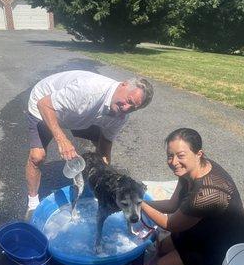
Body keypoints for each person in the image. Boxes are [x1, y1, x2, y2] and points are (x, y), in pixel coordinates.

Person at [25, 70, 153, 217]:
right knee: (37, 156)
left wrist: (105, 177)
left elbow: (105, 144)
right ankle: (32, 203)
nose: (126, 109)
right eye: (129, 101)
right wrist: (62, 139)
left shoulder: (121, 115)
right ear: (123, 85)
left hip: (79, 113)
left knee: (100, 148)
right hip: (45, 104)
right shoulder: (89, 91)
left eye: (133, 108)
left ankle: (89, 186)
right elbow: (44, 104)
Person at [141, 128, 244, 265]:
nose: (174, 162)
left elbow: (170, 224)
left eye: (180, 156)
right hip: (205, 228)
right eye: (170, 156)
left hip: (225, 245)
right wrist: (144, 202)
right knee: (160, 248)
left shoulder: (206, 194)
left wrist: (139, 205)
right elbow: (172, 205)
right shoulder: (191, 169)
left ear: (198, 154)